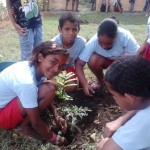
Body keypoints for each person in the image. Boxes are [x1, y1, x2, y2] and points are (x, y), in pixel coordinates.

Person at [0, 41, 69, 145]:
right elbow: (36, 123)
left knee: (51, 85)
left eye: (61, 66)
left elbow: (46, 92)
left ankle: (24, 123)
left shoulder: (35, 67)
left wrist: (56, 115)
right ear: (40, 57)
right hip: (2, 116)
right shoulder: (27, 83)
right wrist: (54, 138)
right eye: (53, 62)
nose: (56, 69)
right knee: (49, 89)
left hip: (8, 102)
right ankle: (21, 128)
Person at [96, 56, 150, 149]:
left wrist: (104, 143)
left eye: (114, 95)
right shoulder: (145, 95)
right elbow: (141, 104)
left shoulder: (142, 123)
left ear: (129, 97)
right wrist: (121, 120)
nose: (113, 98)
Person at [76, 18, 139, 96]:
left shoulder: (125, 37)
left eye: (109, 43)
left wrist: (117, 68)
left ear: (116, 35)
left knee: (120, 86)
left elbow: (136, 60)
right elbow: (79, 64)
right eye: (101, 43)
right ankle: (101, 81)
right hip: (106, 61)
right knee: (93, 60)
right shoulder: (94, 42)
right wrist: (85, 84)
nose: (104, 47)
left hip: (124, 63)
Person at [51, 12, 86, 92]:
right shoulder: (53, 44)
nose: (71, 33)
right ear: (60, 29)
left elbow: (79, 64)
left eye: (74, 29)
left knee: (71, 87)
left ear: (78, 30)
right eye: (67, 29)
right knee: (54, 86)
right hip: (55, 70)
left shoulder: (81, 43)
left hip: (69, 69)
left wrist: (83, 83)